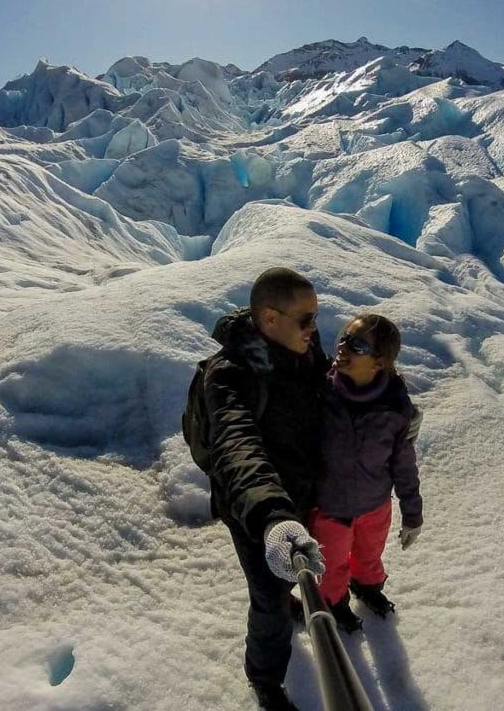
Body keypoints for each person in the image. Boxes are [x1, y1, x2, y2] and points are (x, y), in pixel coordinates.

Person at [203, 267, 331, 711]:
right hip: (255, 510)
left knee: (288, 583)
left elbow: (326, 392)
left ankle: (290, 597)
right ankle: (265, 680)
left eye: (316, 318)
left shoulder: (303, 348)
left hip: (301, 492)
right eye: (306, 319)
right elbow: (239, 447)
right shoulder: (229, 375)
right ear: (271, 318)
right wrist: (274, 517)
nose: (314, 329)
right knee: (271, 605)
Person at [308, 313, 423, 634]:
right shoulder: (321, 394)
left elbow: (403, 462)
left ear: (379, 363)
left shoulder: (395, 407)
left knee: (369, 555)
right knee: (330, 567)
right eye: (344, 337)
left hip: (375, 505)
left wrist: (412, 513)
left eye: (357, 345)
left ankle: (367, 586)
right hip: (331, 508)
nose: (343, 346)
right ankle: (335, 603)